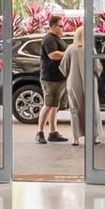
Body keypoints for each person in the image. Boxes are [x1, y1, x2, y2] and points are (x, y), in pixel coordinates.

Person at [60, 25, 102, 146]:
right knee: (92, 108)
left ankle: (76, 138)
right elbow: (97, 68)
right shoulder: (90, 49)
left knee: (75, 110)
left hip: (73, 82)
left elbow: (64, 67)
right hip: (90, 82)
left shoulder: (70, 49)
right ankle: (94, 137)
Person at [37, 14, 68, 144]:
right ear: (54, 26)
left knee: (54, 106)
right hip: (50, 78)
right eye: (61, 26)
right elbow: (53, 55)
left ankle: (53, 132)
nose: (63, 28)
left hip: (59, 78)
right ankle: (39, 132)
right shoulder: (49, 39)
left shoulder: (57, 38)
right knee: (48, 104)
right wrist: (68, 54)